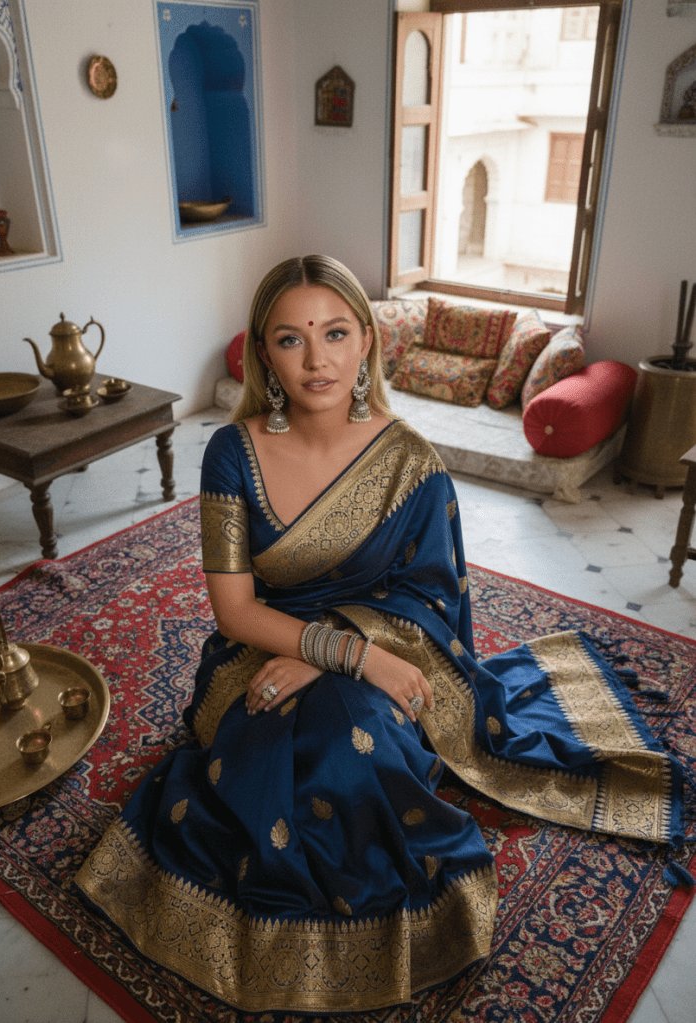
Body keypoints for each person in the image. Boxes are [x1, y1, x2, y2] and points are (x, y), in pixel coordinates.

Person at [76, 255, 686, 1014]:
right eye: (290, 338)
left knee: (349, 747)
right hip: (258, 649)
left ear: (367, 340)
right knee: (264, 761)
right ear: (263, 351)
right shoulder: (230, 453)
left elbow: (430, 595)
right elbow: (233, 612)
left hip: (395, 640)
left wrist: (359, 657)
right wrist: (335, 652)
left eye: (334, 332)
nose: (316, 358)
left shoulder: (411, 464)